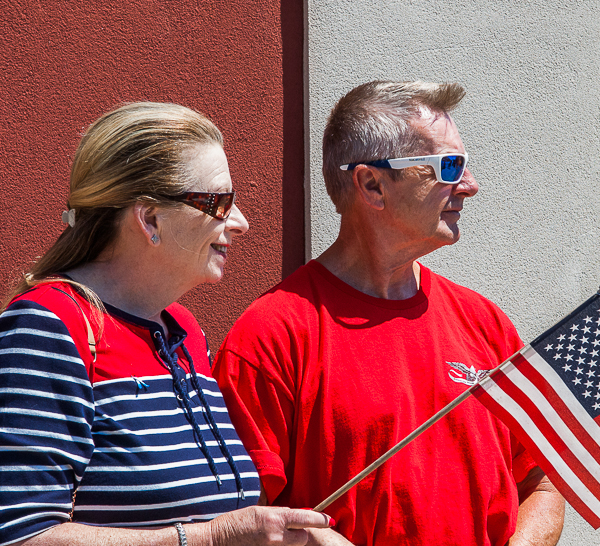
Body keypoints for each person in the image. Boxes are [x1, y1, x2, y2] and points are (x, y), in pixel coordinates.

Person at [212, 81, 566, 546]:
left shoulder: (485, 323)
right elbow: (242, 524)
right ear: (372, 184)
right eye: (449, 167)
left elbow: (543, 480)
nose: (470, 186)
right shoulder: (272, 335)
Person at [0, 102, 332, 546]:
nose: (241, 222)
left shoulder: (182, 328)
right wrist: (213, 537)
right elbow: (21, 535)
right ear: (150, 218)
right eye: (219, 202)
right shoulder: (49, 327)